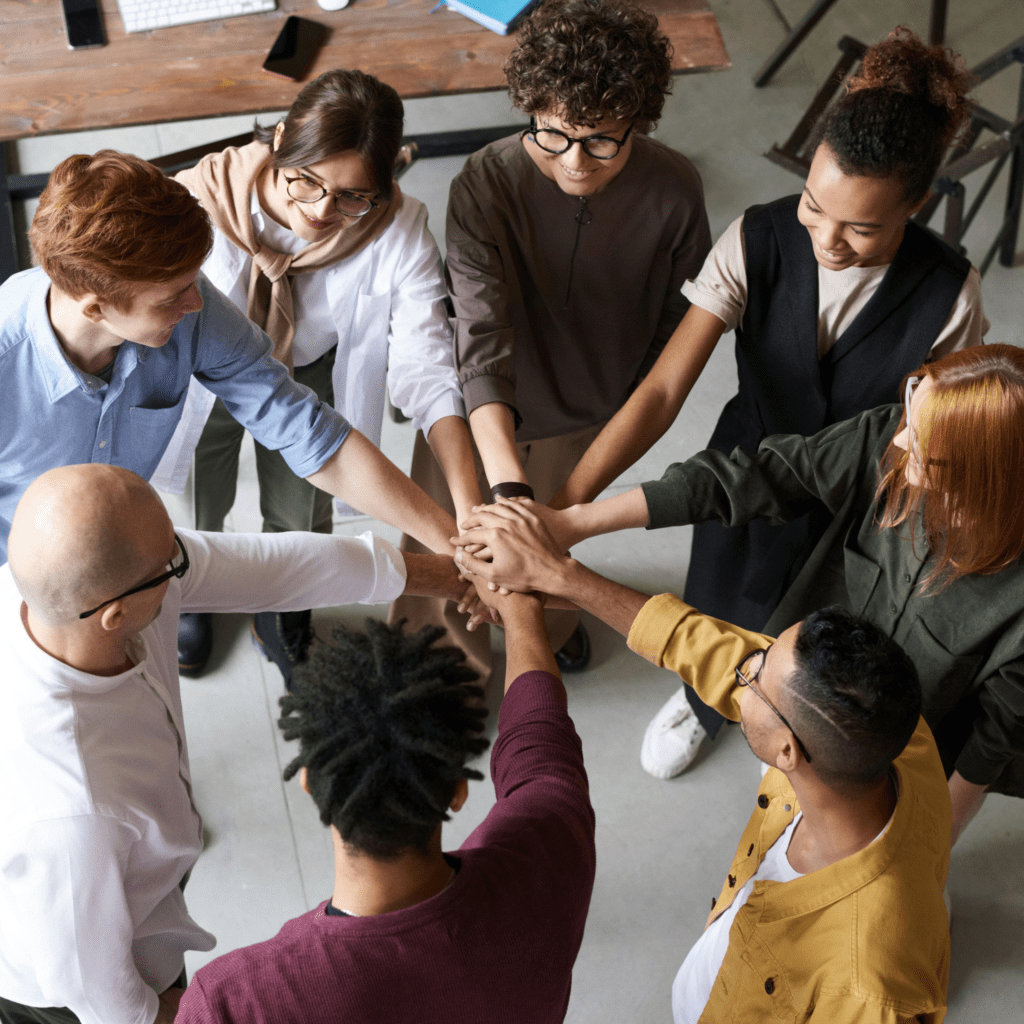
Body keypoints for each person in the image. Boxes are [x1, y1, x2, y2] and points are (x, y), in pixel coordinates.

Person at [549, 26, 987, 774]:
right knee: (720, 594)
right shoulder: (758, 237)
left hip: (858, 500)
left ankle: (787, 719)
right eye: (815, 205)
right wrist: (566, 509)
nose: (828, 240)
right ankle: (703, 702)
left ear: (916, 205)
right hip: (743, 469)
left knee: (822, 633)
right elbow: (662, 391)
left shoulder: (950, 294)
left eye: (862, 227)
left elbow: (938, 433)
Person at [459, 344, 1024, 840]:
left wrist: (930, 845)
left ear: (984, 477)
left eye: (922, 446)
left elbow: (990, 743)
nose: (899, 439)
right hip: (794, 687)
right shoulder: (889, 437)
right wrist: (574, 524)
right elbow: (757, 478)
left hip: (897, 762)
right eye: (908, 412)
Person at [0, 463, 469, 1024]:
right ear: (115, 615)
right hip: (73, 984)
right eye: (171, 563)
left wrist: (452, 576)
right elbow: (91, 985)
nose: (183, 562)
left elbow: (271, 568)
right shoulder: (75, 811)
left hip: (134, 873)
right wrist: (167, 1013)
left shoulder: (66, 587)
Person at [453, 502, 951, 1022]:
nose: (742, 670)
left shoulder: (869, 986)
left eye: (755, 677)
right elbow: (709, 648)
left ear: (788, 751)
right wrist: (558, 577)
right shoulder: (889, 732)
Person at [0, 149, 463, 684]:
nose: (196, 304)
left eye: (193, 283)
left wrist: (453, 543)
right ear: (95, 307)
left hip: (129, 563)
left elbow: (304, 428)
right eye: (171, 298)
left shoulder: (184, 301)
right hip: (19, 582)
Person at [399, 0, 711, 678]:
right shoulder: (485, 181)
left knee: (553, 553)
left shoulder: (676, 192)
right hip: (481, 410)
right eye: (554, 135)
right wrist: (509, 493)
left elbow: (672, 334)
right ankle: (442, 668)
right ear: (530, 109)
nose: (575, 162)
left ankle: (554, 624)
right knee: (452, 543)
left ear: (638, 121)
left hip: (588, 414)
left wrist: (547, 515)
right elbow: (479, 335)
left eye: (601, 141)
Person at [162, 69, 480, 680]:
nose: (319, 211)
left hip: (311, 372)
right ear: (282, 138)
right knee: (198, 490)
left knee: (302, 510)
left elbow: (427, 366)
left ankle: (282, 605)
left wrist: (466, 512)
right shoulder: (198, 198)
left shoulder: (397, 228)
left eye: (352, 197)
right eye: (306, 181)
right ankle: (194, 584)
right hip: (205, 374)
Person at [174, 586, 595, 1021]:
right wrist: (522, 610)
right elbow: (541, 743)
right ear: (458, 789)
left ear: (309, 783)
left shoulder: (232, 1003)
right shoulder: (553, 847)